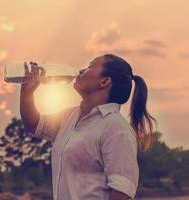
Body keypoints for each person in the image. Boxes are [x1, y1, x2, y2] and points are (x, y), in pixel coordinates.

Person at [20, 54, 157, 200]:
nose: (80, 70)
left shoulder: (117, 128)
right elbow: (34, 125)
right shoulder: (69, 116)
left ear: (104, 81)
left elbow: (121, 193)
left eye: (90, 66)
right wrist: (27, 93)